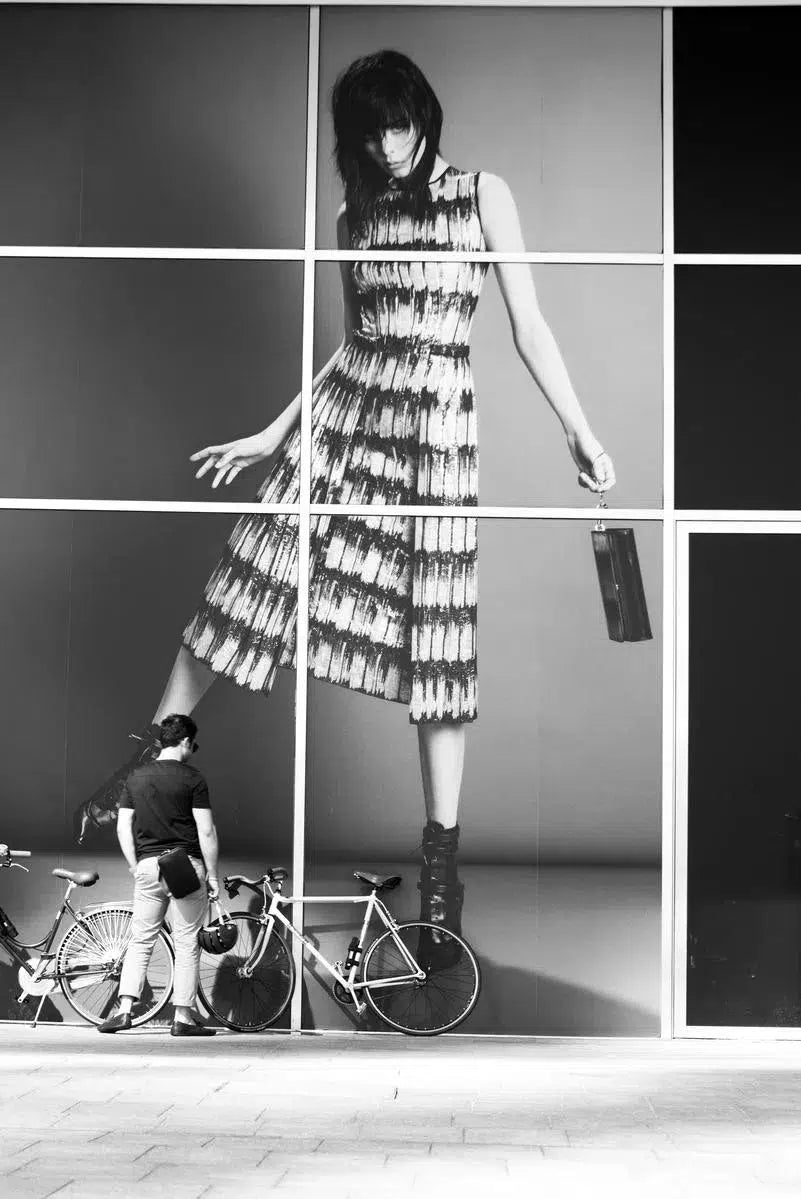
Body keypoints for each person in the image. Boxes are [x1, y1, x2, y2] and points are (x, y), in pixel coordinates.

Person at [76, 50, 615, 958]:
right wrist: (275, 432)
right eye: (369, 134)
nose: (387, 145)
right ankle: (153, 761)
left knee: (438, 645)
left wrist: (578, 431)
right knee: (250, 575)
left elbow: (528, 325)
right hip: (347, 415)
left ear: (424, 116)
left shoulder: (482, 195)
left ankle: (439, 871)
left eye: (398, 126)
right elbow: (352, 343)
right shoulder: (351, 213)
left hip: (434, 430)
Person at [98, 714, 219, 1035]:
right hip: (183, 866)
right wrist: (213, 875)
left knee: (141, 939)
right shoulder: (193, 779)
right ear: (185, 741)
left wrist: (134, 864)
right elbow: (206, 831)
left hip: (148, 865)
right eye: (193, 744)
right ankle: (182, 1018)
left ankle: (124, 1011)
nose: (192, 750)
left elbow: (123, 826)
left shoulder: (136, 777)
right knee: (187, 942)